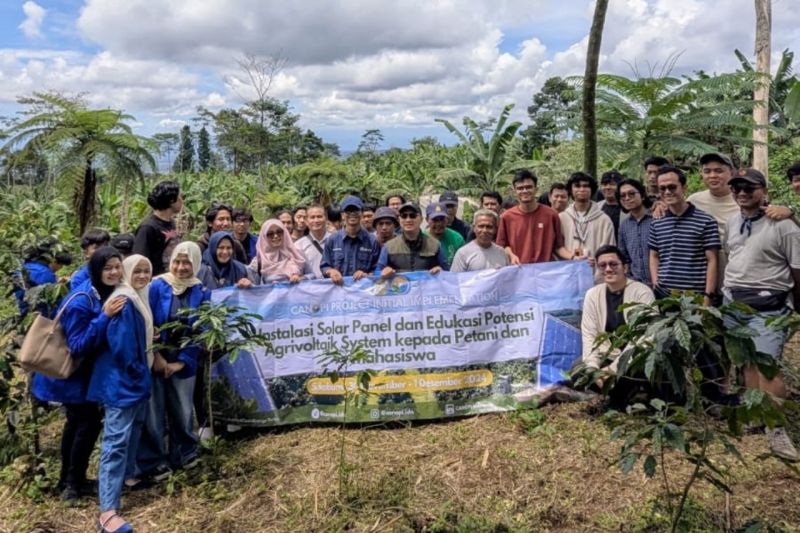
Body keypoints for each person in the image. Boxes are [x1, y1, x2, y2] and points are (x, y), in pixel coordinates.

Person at [32, 247, 126, 501]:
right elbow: (77, 345)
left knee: (79, 424)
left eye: (117, 266)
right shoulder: (83, 299)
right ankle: (71, 483)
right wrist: (104, 317)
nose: (114, 272)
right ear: (96, 270)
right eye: (107, 268)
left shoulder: (103, 292)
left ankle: (72, 479)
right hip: (68, 376)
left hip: (82, 375)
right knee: (86, 423)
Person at [723, 168, 800, 461]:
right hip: (734, 303)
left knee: (768, 367)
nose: (742, 192)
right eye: (737, 187)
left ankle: (776, 429)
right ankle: (757, 416)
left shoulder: (783, 225)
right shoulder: (733, 222)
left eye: (749, 188)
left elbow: (797, 269)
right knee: (747, 364)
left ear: (763, 190)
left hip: (769, 306)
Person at [87, 254, 153, 533]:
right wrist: (138, 370)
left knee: (131, 431)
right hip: (123, 382)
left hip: (132, 380)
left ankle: (126, 479)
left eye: (146, 271)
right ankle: (108, 512)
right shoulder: (124, 301)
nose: (141, 275)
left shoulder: (134, 297)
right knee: (116, 442)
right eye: (134, 270)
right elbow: (122, 346)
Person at [137, 242, 210, 480]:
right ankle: (155, 461)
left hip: (183, 358)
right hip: (155, 357)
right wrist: (157, 356)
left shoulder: (200, 291)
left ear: (196, 264)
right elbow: (147, 323)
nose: (181, 268)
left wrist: (181, 362)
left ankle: (185, 453)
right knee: (154, 410)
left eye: (187, 263)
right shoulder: (157, 286)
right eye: (177, 262)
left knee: (183, 408)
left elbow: (202, 330)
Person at [580, 245, 655, 408]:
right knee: (579, 369)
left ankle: (627, 395)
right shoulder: (592, 295)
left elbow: (645, 337)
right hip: (606, 354)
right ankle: (612, 393)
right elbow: (589, 335)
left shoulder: (642, 293)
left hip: (634, 358)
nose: (608, 269)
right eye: (602, 265)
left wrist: (613, 369)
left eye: (613, 264)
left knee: (631, 374)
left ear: (625, 267)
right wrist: (593, 369)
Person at [648, 165, 720, 304]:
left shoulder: (706, 221)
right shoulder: (657, 221)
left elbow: (712, 260)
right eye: (662, 188)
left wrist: (708, 297)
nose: (667, 192)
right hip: (664, 296)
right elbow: (654, 255)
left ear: (684, 188)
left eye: (672, 187)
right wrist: (656, 283)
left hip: (695, 296)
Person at [497, 169, 573, 264]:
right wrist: (511, 255)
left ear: (536, 189)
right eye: (520, 188)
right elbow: (502, 246)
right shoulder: (507, 217)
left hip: (546, 272)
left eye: (529, 187)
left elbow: (559, 247)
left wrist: (573, 257)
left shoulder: (551, 215)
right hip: (519, 271)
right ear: (514, 192)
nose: (525, 191)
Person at [559, 172, 616, 272]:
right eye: (577, 186)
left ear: (592, 190)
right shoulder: (562, 218)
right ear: (570, 190)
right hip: (568, 274)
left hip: (596, 274)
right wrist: (571, 257)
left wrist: (598, 264)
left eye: (586, 186)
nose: (581, 189)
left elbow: (609, 250)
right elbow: (557, 247)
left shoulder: (604, 220)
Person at [321, 195, 381, 285]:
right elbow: (324, 266)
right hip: (338, 292)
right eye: (348, 211)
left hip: (363, 292)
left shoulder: (372, 241)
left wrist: (366, 275)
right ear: (342, 215)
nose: (352, 214)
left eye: (356, 211)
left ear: (361, 213)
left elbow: (377, 268)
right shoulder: (332, 240)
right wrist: (331, 271)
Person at [377, 202, 447, 276]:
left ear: (421, 219)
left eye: (412, 216)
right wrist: (383, 272)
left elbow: (448, 273)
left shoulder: (435, 245)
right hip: (399, 287)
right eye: (404, 216)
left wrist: (441, 270)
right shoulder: (388, 246)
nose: (408, 220)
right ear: (399, 220)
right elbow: (376, 273)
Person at [133, 180, 183, 276]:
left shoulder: (170, 222)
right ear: (171, 200)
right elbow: (140, 259)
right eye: (179, 197)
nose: (182, 201)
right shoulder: (148, 227)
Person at [13, 237, 73, 317]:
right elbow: (53, 304)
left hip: (25, 313)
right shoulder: (45, 274)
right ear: (54, 260)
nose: (60, 268)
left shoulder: (23, 267)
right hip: (40, 318)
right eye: (61, 264)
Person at [616, 178, 653, 286]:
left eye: (631, 194)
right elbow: (624, 257)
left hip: (661, 282)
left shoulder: (656, 218)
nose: (627, 198)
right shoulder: (624, 226)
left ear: (642, 195)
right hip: (636, 284)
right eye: (623, 196)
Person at [250, 219, 306, 284]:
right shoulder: (259, 261)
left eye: (279, 232)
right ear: (264, 237)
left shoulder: (297, 255)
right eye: (270, 234)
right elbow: (251, 284)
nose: (276, 236)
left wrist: (300, 278)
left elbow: (311, 277)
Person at [295, 205, 329, 279]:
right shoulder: (298, 245)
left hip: (335, 287)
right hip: (310, 288)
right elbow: (298, 271)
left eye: (319, 216)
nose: (316, 220)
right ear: (306, 221)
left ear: (326, 219)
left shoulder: (336, 240)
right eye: (312, 217)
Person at [598, 170, 624, 237]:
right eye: (604, 185)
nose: (608, 187)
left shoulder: (627, 208)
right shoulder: (596, 208)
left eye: (612, 184)